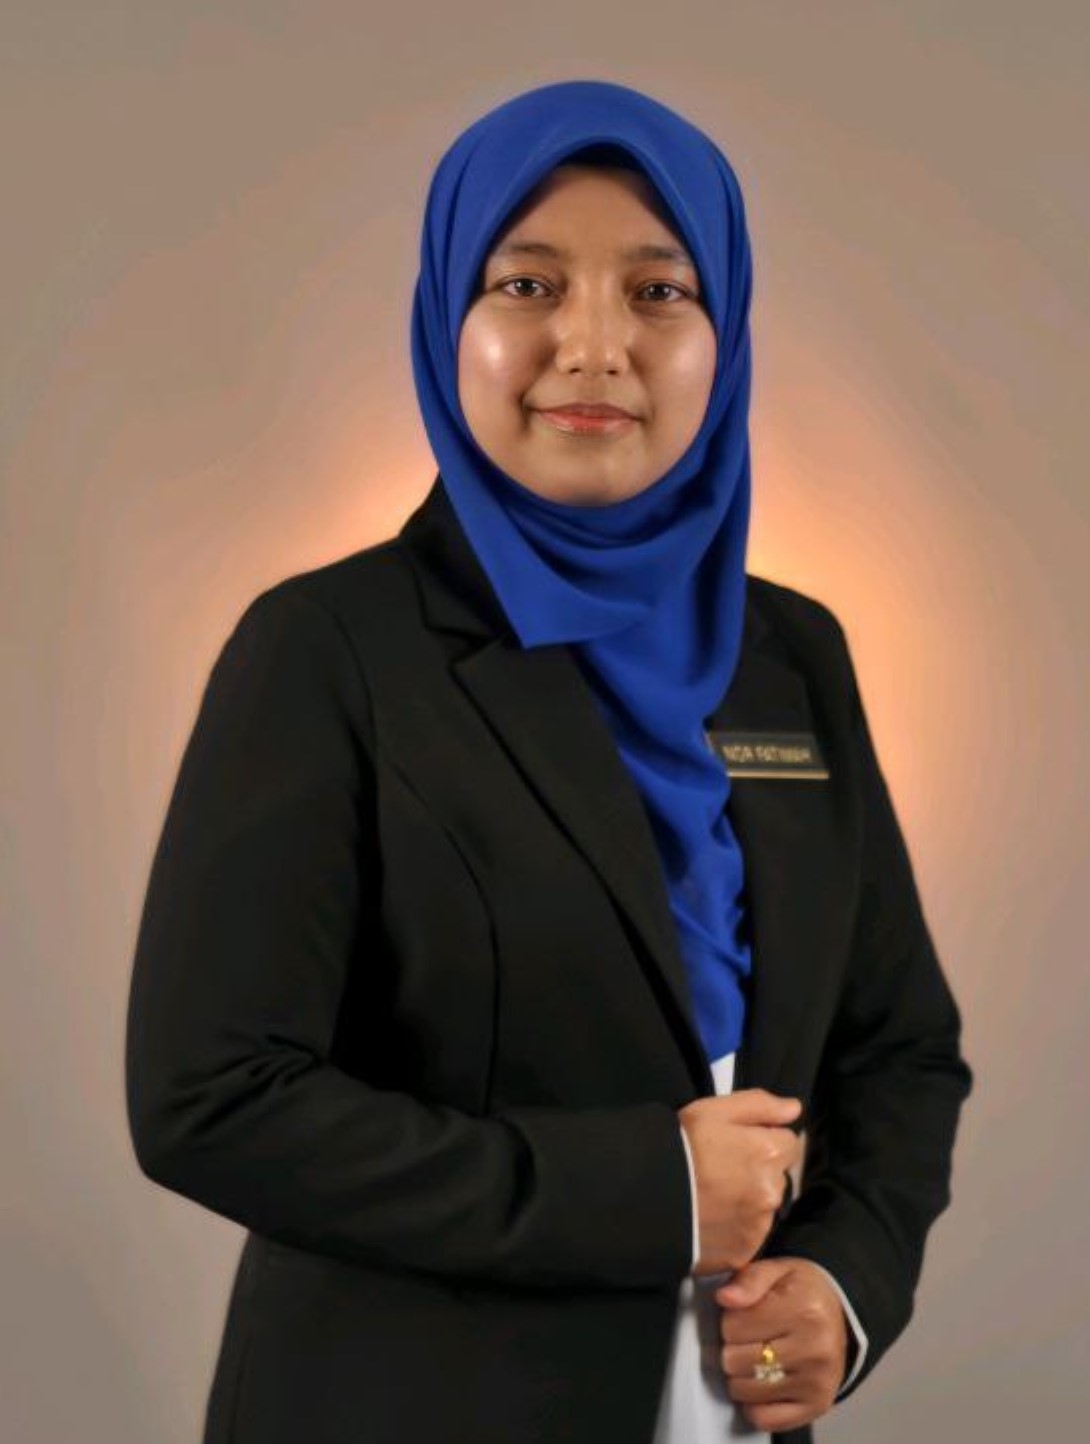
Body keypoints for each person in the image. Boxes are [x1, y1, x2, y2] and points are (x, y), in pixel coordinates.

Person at [124, 79, 973, 1444]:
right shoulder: (329, 649)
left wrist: (844, 1283)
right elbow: (209, 1099)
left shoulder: (792, 656)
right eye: (526, 285)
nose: (593, 346)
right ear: (445, 322)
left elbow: (899, 1049)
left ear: (725, 333)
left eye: (657, 292)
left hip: (722, 1408)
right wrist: (648, 1193)